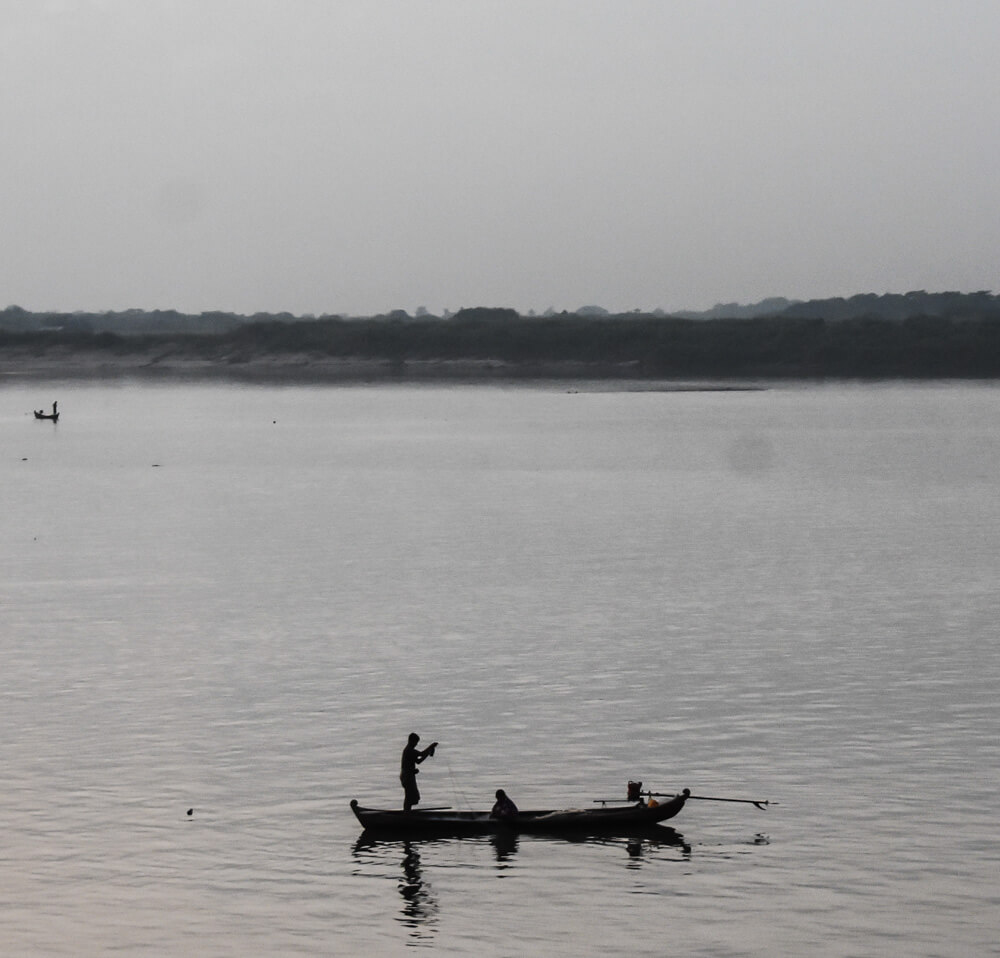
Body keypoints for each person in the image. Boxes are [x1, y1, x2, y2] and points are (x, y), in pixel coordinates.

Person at [400, 732, 437, 812]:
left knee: (412, 796)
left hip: (408, 776)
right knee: (409, 796)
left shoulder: (410, 751)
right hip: (407, 777)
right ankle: (406, 813)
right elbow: (421, 754)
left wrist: (428, 753)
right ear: (411, 741)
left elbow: (418, 761)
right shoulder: (409, 750)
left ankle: (407, 812)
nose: (416, 744)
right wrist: (430, 747)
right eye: (416, 742)